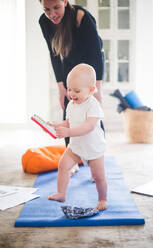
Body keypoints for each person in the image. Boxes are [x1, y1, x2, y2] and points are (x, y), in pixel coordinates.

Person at [38, 0, 105, 146]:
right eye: (47, 9)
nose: (52, 14)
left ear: (65, 2)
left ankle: (97, 150)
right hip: (69, 60)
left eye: (56, 8)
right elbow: (54, 54)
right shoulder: (44, 21)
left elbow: (95, 54)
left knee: (91, 105)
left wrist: (97, 90)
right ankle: (72, 151)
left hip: (91, 62)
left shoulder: (81, 16)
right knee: (70, 104)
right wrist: (61, 88)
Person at [47, 63, 107, 210]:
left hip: (93, 147)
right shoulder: (72, 104)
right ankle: (61, 193)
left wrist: (67, 133)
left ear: (91, 90)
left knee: (98, 176)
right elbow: (69, 122)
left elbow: (89, 126)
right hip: (76, 146)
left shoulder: (93, 105)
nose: (72, 94)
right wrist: (57, 126)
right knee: (63, 166)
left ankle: (102, 199)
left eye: (77, 91)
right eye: (69, 89)